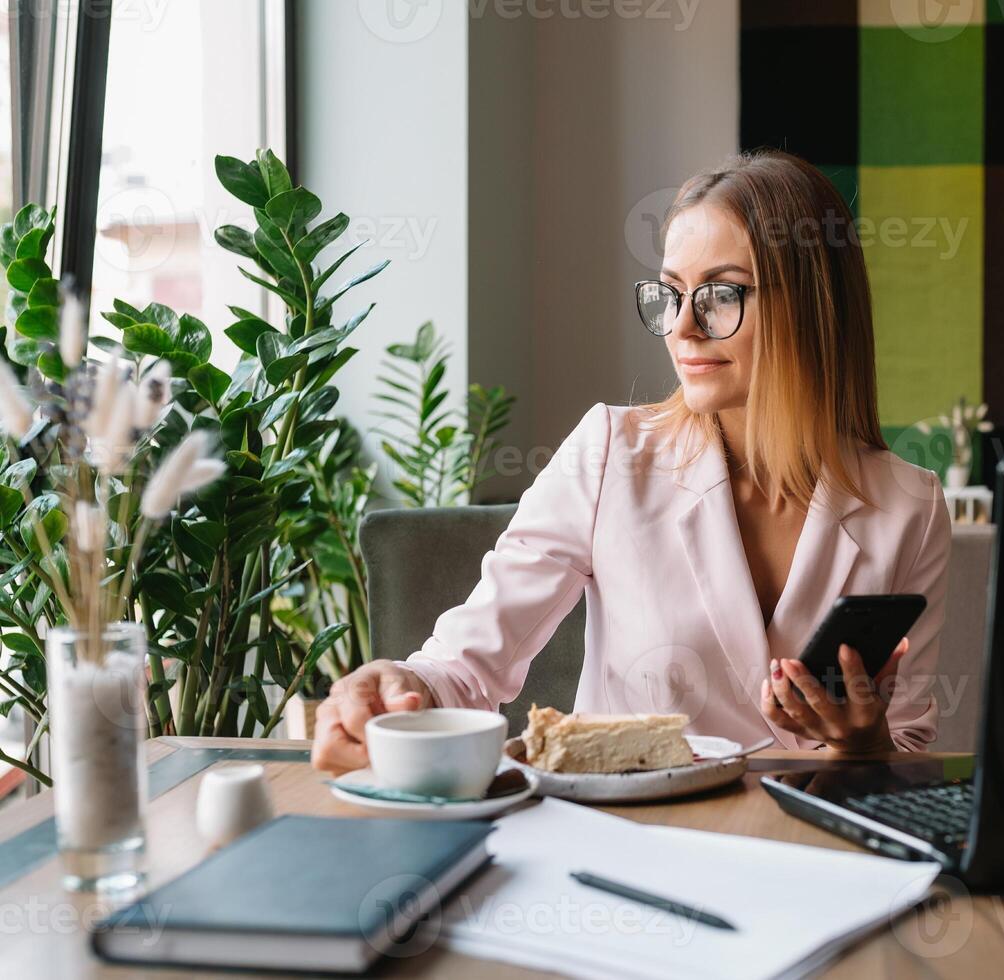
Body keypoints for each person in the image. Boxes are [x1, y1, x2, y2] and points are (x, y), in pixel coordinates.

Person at [312, 150, 952, 775]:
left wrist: (864, 743)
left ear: (814, 307)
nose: (683, 328)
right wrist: (400, 684)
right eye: (672, 294)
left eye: (722, 295)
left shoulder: (909, 508)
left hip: (808, 846)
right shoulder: (609, 452)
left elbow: (909, 742)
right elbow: (465, 666)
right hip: (629, 836)